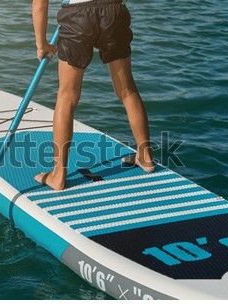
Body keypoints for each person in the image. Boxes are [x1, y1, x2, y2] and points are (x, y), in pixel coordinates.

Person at [32, 0, 155, 190]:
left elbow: (40, 4)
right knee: (127, 90)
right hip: (113, 10)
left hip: (78, 16)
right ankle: (145, 156)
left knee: (67, 97)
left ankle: (58, 175)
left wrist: (42, 44)